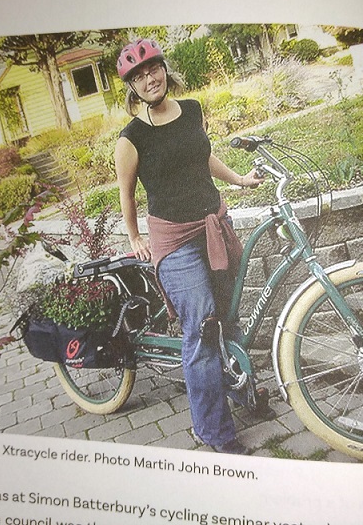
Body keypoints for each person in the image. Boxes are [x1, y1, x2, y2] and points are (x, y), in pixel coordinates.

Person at [114, 38, 263, 455]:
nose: (149, 79)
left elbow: (204, 158)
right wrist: (134, 238)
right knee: (201, 329)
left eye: (153, 69)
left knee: (227, 315)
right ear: (132, 86)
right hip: (175, 240)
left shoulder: (193, 110)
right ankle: (213, 431)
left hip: (213, 223)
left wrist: (237, 181)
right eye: (139, 76)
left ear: (164, 68)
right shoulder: (131, 138)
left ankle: (240, 393)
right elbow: (126, 194)